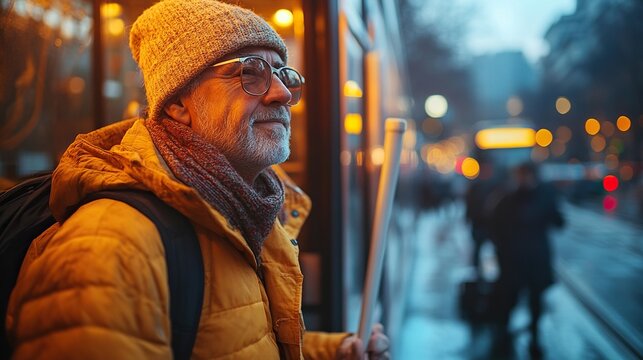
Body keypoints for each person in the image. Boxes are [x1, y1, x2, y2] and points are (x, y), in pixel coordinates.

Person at [5, 1, 389, 359]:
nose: (282, 94)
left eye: (283, 75)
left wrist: (337, 350)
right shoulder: (113, 246)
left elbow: (237, 337)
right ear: (177, 104)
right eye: (249, 72)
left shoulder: (244, 212)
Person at [489, 162, 565, 358]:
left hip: (534, 260)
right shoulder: (508, 199)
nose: (523, 180)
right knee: (510, 299)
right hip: (515, 260)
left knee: (534, 301)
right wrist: (501, 252)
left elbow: (559, 222)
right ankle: (503, 331)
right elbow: (495, 226)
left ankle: (533, 335)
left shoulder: (543, 196)